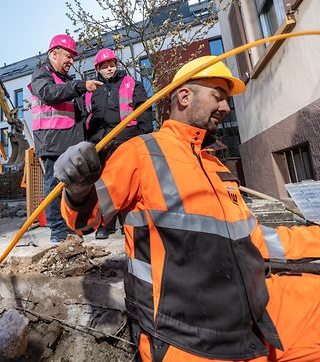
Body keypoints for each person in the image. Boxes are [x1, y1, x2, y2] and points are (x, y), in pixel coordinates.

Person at [54, 56, 320, 361]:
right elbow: (85, 219)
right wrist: (77, 190)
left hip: (253, 323)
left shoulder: (216, 165)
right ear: (184, 96)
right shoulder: (142, 152)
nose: (226, 108)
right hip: (186, 339)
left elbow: (254, 239)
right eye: (218, 97)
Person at [29, 34, 102, 244]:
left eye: (72, 57)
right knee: (54, 186)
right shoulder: (41, 74)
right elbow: (50, 94)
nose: (71, 61)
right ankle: (58, 230)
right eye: (68, 56)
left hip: (70, 141)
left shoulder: (67, 80)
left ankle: (70, 226)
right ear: (54, 54)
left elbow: (77, 112)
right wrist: (80, 86)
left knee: (73, 186)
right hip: (53, 142)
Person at [86, 48, 153, 239]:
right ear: (98, 69)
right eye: (105, 66)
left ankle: (129, 222)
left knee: (129, 182)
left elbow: (144, 110)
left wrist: (143, 134)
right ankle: (106, 224)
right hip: (101, 143)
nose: (109, 69)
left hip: (126, 139)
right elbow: (86, 115)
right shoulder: (92, 91)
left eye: (112, 65)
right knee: (103, 185)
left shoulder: (131, 83)